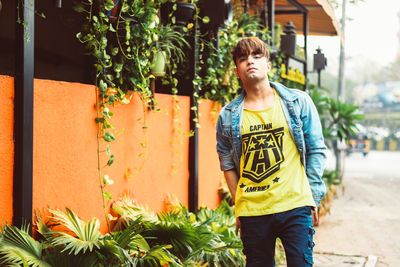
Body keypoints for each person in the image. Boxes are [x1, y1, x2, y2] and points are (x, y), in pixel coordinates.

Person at [216, 36, 327, 266]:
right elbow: (227, 163)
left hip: (294, 205)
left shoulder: (298, 102)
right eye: (243, 58)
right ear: (237, 71)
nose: (250, 61)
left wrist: (313, 195)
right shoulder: (227, 116)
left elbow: (316, 149)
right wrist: (240, 207)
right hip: (253, 212)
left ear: (268, 65)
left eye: (257, 56)